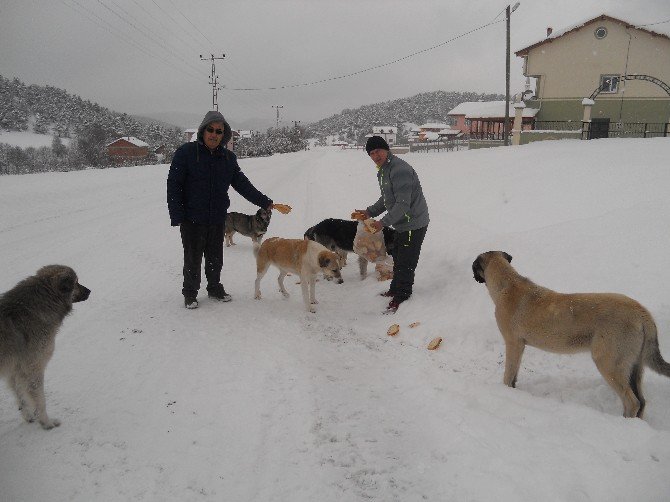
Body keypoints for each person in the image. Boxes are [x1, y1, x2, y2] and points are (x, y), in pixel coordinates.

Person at [167, 110, 273, 309]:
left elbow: (242, 184)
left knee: (215, 256)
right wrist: (177, 215)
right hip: (192, 218)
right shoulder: (186, 153)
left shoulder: (228, 158)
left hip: (217, 218)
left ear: (224, 135)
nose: (214, 134)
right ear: (203, 130)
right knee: (193, 258)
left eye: (219, 131)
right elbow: (174, 185)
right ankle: (190, 293)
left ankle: (214, 288)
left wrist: (264, 201)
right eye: (211, 129)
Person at [354, 135, 429, 314]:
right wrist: (370, 212)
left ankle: (403, 295)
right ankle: (395, 289)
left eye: (378, 151)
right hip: (402, 223)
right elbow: (388, 198)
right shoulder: (384, 170)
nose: (375, 155)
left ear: (386, 149)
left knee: (406, 261)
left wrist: (382, 222)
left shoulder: (399, 170)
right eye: (371, 153)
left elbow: (402, 204)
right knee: (398, 256)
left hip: (413, 223)